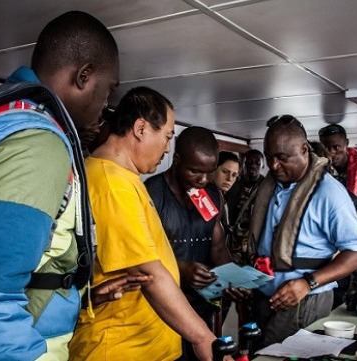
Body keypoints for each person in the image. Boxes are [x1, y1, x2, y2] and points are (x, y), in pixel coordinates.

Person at [0, 12, 149, 361]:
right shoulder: (35, 145)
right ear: (84, 76)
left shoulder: (1, 122)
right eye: (108, 89)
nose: (106, 104)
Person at [69, 87, 226, 361]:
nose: (167, 149)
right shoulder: (111, 183)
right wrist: (203, 338)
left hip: (151, 346)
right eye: (166, 137)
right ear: (141, 128)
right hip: (121, 349)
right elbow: (148, 273)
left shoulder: (125, 179)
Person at [249, 115, 357, 347]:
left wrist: (308, 283)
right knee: (257, 351)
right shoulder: (271, 186)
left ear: (304, 150)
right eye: (269, 157)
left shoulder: (330, 194)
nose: (273, 166)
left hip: (304, 299)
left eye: (282, 158)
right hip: (264, 296)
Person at [145, 127, 246, 360]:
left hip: (203, 304)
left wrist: (233, 277)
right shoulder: (153, 193)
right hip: (163, 307)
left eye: (209, 172)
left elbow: (218, 247)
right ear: (177, 160)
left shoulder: (210, 194)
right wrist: (182, 268)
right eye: (194, 172)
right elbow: (141, 257)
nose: (202, 181)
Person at [225, 149, 264, 266]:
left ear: (263, 166)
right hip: (232, 239)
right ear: (242, 164)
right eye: (248, 163)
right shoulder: (232, 183)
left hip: (253, 241)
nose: (253, 166)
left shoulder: (266, 187)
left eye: (257, 163)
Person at [209, 151, 241, 227]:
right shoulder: (206, 195)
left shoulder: (223, 195)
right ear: (214, 169)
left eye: (234, 175)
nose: (229, 179)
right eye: (225, 172)